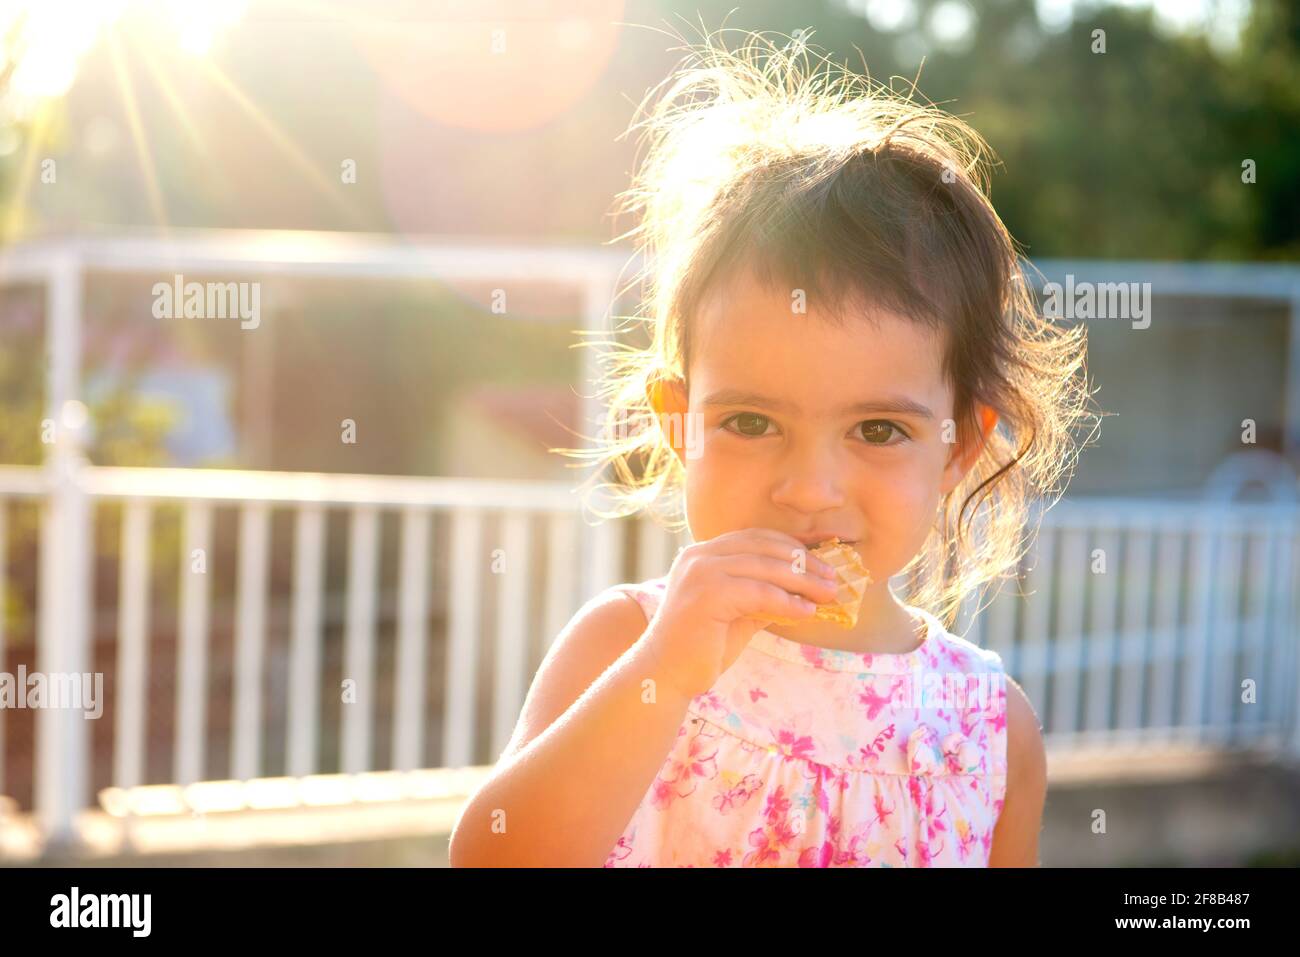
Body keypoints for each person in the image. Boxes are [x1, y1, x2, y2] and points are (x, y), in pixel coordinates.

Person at [450, 29, 1097, 868]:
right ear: (680, 422)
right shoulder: (628, 644)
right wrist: (667, 672)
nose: (808, 486)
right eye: (751, 422)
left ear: (957, 450)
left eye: (877, 430)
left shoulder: (990, 731)